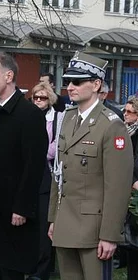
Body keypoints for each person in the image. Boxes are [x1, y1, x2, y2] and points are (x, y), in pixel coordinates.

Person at [48, 51, 133, 280]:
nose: (70, 87)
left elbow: (118, 187)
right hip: (66, 222)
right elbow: (59, 173)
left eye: (77, 81)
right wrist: (54, 218)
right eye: (68, 81)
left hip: (94, 229)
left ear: (96, 84)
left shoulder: (111, 125)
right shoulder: (68, 118)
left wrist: (109, 234)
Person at [0, 50, 48, 280]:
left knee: (10, 270)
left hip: (12, 209)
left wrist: (22, 207)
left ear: (9, 76)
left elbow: (33, 165)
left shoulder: (29, 114)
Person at [29, 82, 63, 280]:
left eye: (42, 97)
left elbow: (55, 147)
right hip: (31, 174)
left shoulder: (57, 118)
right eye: (36, 97)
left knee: (45, 225)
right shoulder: (28, 117)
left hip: (47, 175)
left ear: (49, 99)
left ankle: (44, 269)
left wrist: (35, 151)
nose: (39, 101)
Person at [122, 96, 138, 279]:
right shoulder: (125, 132)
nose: (125, 114)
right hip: (129, 190)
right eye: (124, 111)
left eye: (130, 112)